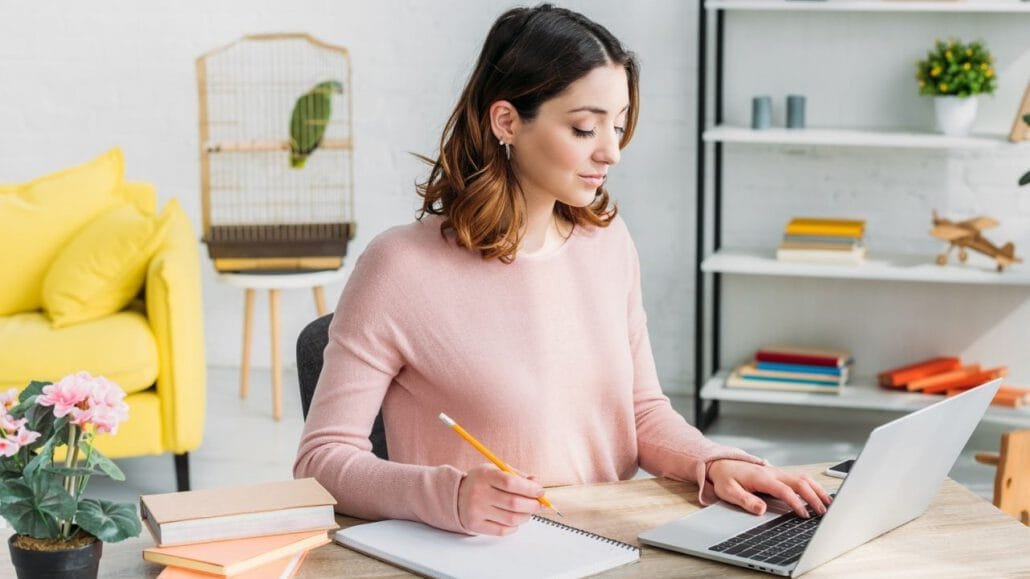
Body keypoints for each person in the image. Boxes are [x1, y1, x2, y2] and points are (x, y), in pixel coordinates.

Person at [294, 4, 832, 537]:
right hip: (484, 559)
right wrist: (450, 496)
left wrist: (713, 462)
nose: (612, 152)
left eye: (618, 127)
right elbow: (321, 460)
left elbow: (640, 412)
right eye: (584, 128)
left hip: (615, 546)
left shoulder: (608, 242)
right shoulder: (399, 268)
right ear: (506, 121)